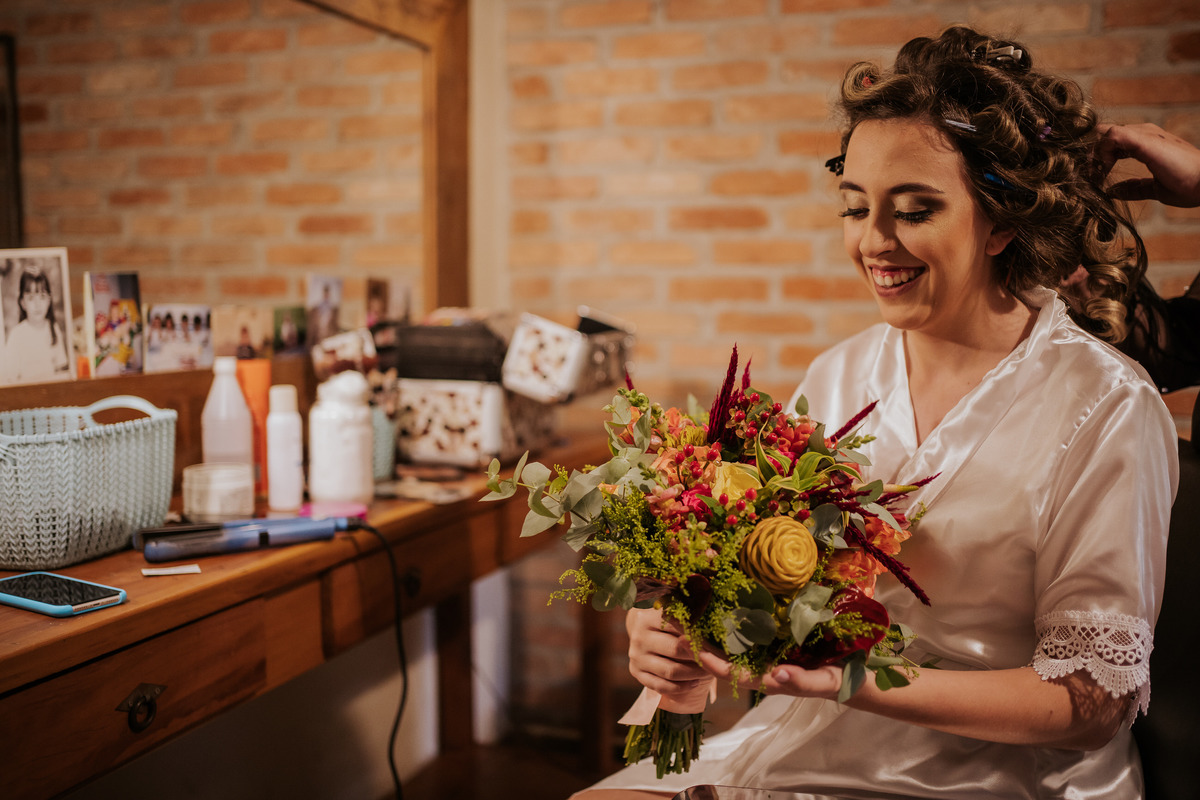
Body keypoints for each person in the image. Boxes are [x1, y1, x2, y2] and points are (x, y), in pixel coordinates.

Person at [578, 26, 1178, 800]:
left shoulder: (1106, 406)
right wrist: (680, 632)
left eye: (915, 208)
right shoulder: (838, 377)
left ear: (1001, 222)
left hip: (1007, 779)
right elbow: (763, 594)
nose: (873, 242)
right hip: (808, 744)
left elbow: (1095, 703)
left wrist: (848, 683)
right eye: (856, 209)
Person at [0, 267, 71, 384]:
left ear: (49, 300)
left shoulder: (53, 328)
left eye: (42, 297)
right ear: (23, 303)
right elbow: (10, 377)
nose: (37, 305)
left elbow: (60, 368)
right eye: (31, 298)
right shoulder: (17, 335)